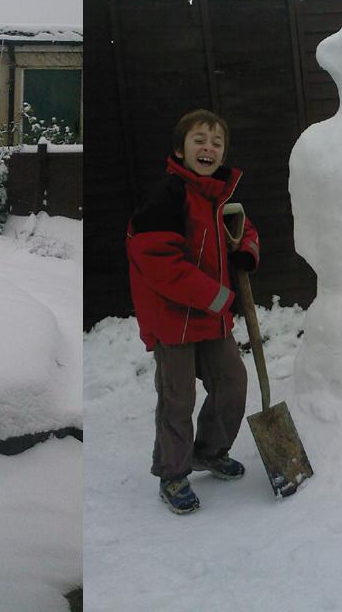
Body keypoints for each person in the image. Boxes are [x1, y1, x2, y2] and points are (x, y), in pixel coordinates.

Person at [126, 109, 261, 514]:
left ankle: (209, 451)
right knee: (177, 399)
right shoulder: (166, 196)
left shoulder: (219, 196)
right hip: (173, 320)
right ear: (179, 150)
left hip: (211, 317)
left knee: (232, 383)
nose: (209, 148)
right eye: (199, 140)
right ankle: (173, 472)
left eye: (217, 143)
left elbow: (245, 229)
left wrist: (247, 252)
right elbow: (159, 262)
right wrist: (217, 296)